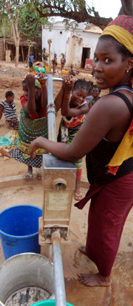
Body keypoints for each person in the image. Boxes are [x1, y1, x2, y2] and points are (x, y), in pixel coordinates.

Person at [29, 15, 133, 287]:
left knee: (108, 225)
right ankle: (93, 250)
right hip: (115, 173)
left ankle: (105, 276)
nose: (97, 67)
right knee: (99, 218)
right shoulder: (123, 96)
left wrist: (41, 141)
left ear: (129, 64)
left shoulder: (110, 104)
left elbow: (73, 152)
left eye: (107, 60)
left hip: (118, 179)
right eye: (96, 59)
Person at [57, 77, 89, 200]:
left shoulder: (84, 107)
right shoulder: (68, 95)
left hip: (77, 129)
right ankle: (61, 181)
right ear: (73, 91)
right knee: (61, 152)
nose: (80, 99)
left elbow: (65, 112)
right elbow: (56, 106)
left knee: (77, 158)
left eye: (83, 97)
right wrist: (65, 90)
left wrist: (66, 94)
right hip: (65, 127)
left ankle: (77, 187)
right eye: (78, 95)